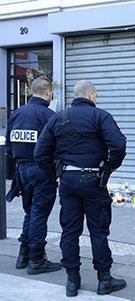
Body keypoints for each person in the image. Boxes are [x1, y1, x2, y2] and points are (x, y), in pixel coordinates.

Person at [34, 80, 127, 297]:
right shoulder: (100, 116)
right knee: (98, 231)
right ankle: (104, 280)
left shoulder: (58, 118)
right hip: (94, 180)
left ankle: (72, 281)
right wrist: (109, 168)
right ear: (91, 94)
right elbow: (119, 145)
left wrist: (55, 175)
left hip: (68, 181)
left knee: (70, 231)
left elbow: (40, 153)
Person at [5, 77, 61, 275]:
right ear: (48, 93)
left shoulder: (16, 113)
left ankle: (24, 255)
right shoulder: (48, 115)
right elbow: (57, 146)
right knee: (39, 214)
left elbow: (9, 147)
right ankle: (37, 260)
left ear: (30, 91)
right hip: (42, 171)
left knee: (30, 212)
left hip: (22, 170)